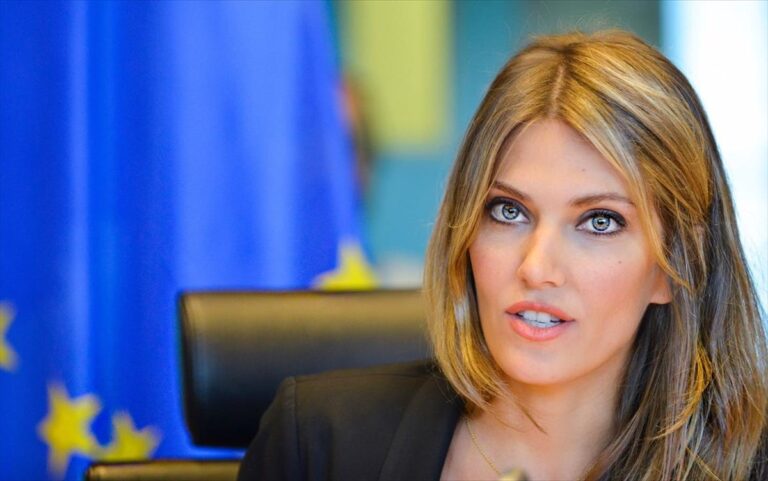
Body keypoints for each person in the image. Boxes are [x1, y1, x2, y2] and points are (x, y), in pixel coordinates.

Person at [238, 30, 767, 481]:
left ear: (676, 266)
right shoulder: (316, 444)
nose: (536, 268)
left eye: (600, 222)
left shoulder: (751, 464)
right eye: (509, 211)